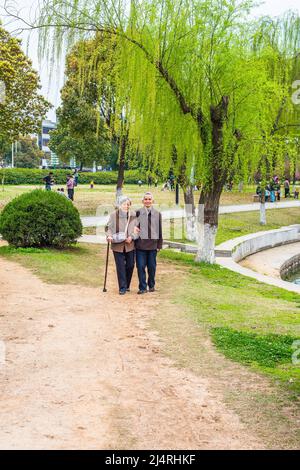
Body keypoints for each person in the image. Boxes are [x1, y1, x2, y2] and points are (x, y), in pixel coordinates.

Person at [106, 197, 138, 295]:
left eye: (128, 204)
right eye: (124, 204)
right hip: (117, 245)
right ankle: (122, 287)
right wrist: (109, 236)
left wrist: (132, 237)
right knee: (120, 266)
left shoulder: (133, 215)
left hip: (130, 244)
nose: (126, 206)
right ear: (120, 205)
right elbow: (108, 228)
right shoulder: (113, 215)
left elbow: (137, 230)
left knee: (130, 265)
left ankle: (127, 284)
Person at [135, 192, 163, 294]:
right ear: (142, 201)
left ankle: (151, 285)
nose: (147, 201)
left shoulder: (157, 214)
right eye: (145, 199)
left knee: (152, 267)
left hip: (152, 246)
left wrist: (159, 244)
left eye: (149, 199)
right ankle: (142, 287)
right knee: (141, 266)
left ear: (153, 201)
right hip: (140, 245)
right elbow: (133, 228)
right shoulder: (137, 213)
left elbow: (159, 230)